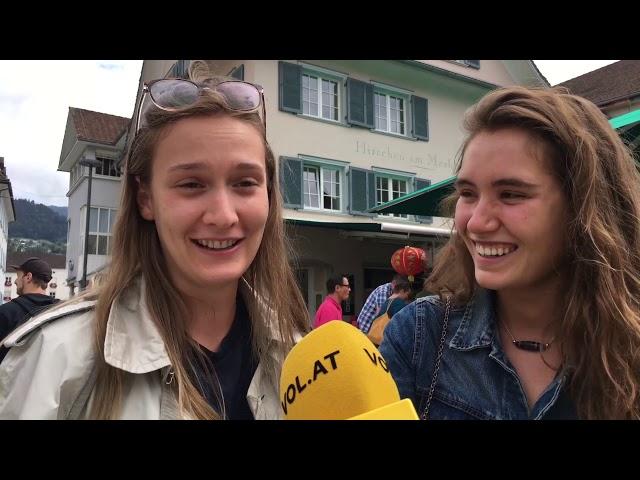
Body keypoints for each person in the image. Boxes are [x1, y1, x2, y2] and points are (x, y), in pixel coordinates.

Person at [0, 70, 309, 419]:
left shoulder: (299, 358)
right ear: (146, 198)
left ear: (268, 195)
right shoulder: (55, 361)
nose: (223, 216)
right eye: (192, 184)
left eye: (244, 183)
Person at [380, 86, 640, 420]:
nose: (476, 221)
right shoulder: (419, 336)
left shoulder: (628, 344)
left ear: (584, 209)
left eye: (512, 194)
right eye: (468, 193)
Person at [0, 257, 60, 363]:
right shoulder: (60, 311)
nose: (15, 281)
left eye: (18, 276)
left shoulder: (6, 312)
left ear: (28, 277)